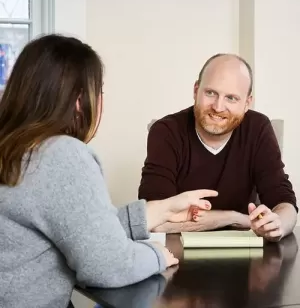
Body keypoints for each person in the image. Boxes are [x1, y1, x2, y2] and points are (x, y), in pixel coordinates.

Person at [0, 34, 218, 308]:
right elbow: (109, 266)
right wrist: (158, 254)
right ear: (79, 101)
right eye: (98, 90)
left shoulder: (14, 147)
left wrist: (162, 209)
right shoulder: (60, 154)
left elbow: (81, 228)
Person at [138, 54, 298, 241]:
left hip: (243, 254)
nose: (218, 107)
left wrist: (277, 225)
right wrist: (235, 218)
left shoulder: (258, 128)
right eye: (211, 93)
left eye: (231, 98)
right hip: (177, 254)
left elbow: (286, 204)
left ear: (247, 103)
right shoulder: (166, 131)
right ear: (196, 90)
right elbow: (153, 219)